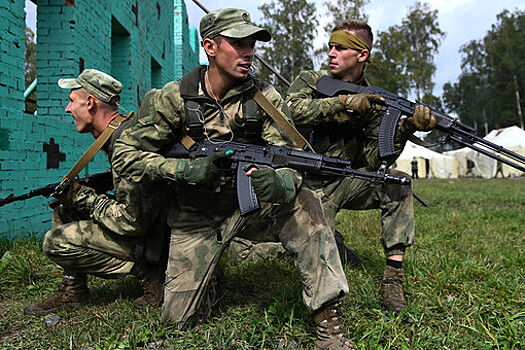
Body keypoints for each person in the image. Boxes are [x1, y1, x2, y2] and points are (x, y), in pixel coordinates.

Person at [111, 8, 359, 349]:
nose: (249, 52)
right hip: (195, 216)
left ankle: (328, 319)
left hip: (249, 210)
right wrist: (182, 170)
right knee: (177, 321)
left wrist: (281, 182)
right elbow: (125, 154)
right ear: (210, 47)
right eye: (238, 43)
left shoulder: (266, 98)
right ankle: (210, 273)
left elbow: (291, 157)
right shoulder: (174, 97)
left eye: (252, 44)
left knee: (305, 202)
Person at [283, 19, 435, 312]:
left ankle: (393, 278)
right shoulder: (311, 81)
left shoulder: (376, 99)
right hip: (304, 183)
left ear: (362, 55)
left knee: (398, 182)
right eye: (330, 47)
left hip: (344, 181)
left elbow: (373, 160)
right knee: (298, 247)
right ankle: (335, 245)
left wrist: (404, 129)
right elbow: (290, 112)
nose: (331, 53)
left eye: (340, 48)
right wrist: (343, 103)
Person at [24, 69, 171, 316]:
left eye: (72, 101)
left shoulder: (124, 142)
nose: (67, 109)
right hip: (159, 227)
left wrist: (84, 196)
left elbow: (133, 222)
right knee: (65, 208)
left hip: (161, 237)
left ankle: (152, 274)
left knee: (55, 241)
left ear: (90, 103)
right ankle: (74, 291)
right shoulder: (120, 131)